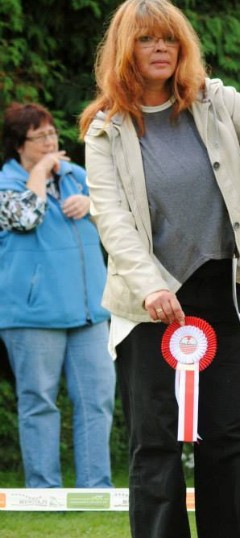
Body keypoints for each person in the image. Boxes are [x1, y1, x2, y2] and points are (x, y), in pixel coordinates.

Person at [78, 1, 240, 537]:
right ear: (126, 49)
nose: (161, 49)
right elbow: (113, 221)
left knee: (235, 434)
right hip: (149, 307)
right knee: (155, 444)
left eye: (169, 39)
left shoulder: (214, 101)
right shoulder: (105, 130)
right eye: (148, 39)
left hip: (229, 293)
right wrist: (150, 287)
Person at [0, 102, 116, 488]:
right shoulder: (6, 186)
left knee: (96, 403)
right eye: (40, 136)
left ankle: (95, 489)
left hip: (90, 312)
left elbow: (120, 213)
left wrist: (92, 204)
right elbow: (25, 217)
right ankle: (42, 490)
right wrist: (36, 173)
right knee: (38, 403)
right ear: (20, 144)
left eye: (53, 133)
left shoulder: (76, 176)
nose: (51, 141)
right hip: (32, 317)